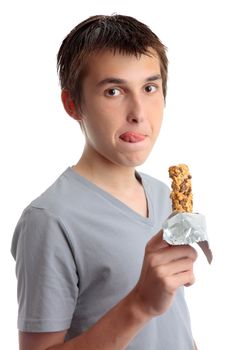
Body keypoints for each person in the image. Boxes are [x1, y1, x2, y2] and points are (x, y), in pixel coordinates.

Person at [11, 14, 198, 350]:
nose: (139, 112)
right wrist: (140, 304)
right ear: (72, 104)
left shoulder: (164, 195)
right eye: (113, 91)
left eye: (149, 88)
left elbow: (172, 326)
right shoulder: (50, 219)